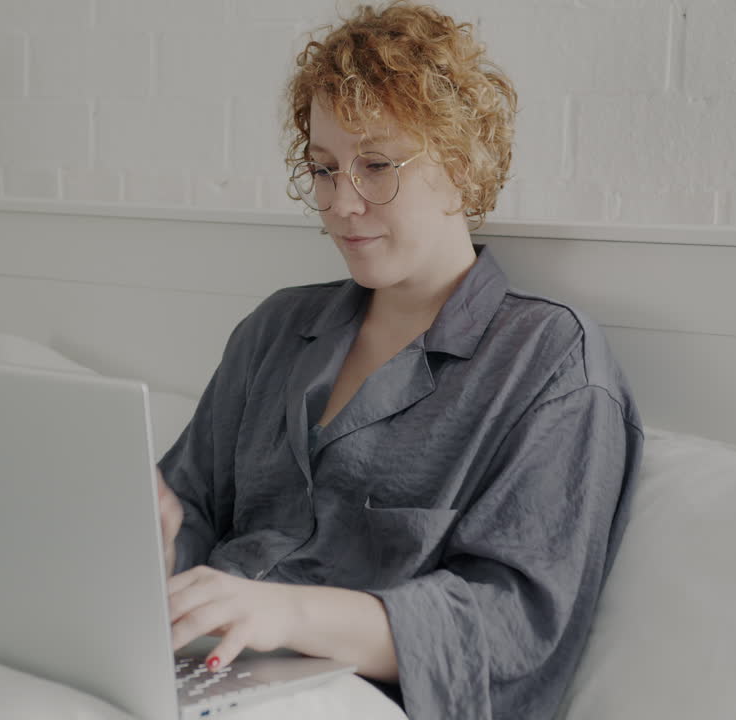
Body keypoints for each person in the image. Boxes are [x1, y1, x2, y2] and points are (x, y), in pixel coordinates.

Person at [155, 2, 643, 718]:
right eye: (322, 169)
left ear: (461, 161)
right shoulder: (276, 330)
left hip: (359, 696)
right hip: (201, 671)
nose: (341, 203)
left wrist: (286, 614)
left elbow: (514, 623)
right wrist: (154, 531)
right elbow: (190, 510)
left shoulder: (549, 362)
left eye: (376, 165)